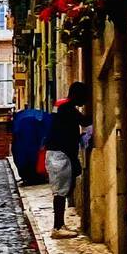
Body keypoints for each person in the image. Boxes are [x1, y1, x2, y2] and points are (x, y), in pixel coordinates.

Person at [43, 81, 87, 239]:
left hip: (57, 153)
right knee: (60, 192)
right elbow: (85, 121)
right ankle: (57, 227)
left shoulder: (60, 105)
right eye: (84, 97)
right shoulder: (67, 108)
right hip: (60, 155)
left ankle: (60, 224)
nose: (85, 101)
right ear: (77, 95)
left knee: (61, 190)